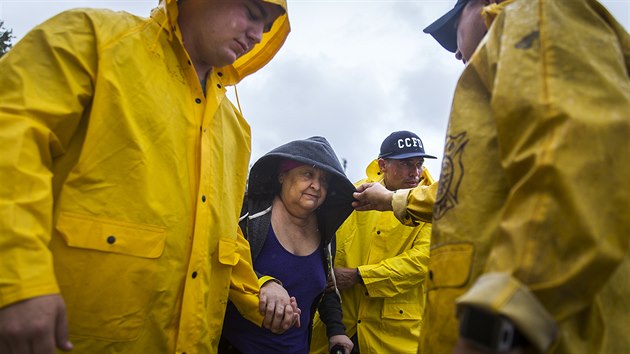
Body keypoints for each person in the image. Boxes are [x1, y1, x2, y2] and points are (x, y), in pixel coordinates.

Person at [0, 1, 298, 353]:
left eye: (266, 28)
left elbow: (221, 233)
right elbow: (12, 148)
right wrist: (19, 282)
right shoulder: (92, 39)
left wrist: (258, 291)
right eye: (251, 12)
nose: (256, 35)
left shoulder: (236, 128)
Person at [355, 0, 630, 353]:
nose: (455, 54)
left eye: (454, 33)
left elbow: (577, 170)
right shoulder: (508, 65)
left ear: (484, 4)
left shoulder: (536, 16)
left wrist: (502, 323)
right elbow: (468, 197)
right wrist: (392, 199)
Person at [220, 136, 355, 354]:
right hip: (235, 346)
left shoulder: (325, 232)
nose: (316, 185)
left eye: (324, 179)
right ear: (282, 174)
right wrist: (263, 282)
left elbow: (327, 289)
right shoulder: (248, 215)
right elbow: (221, 264)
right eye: (308, 174)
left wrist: (336, 331)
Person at [309, 130, 437, 354]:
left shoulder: (430, 207)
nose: (415, 173)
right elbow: (323, 243)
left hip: (393, 337)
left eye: (419, 164)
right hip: (339, 326)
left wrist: (359, 276)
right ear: (383, 164)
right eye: (406, 164)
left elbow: (422, 263)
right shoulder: (355, 193)